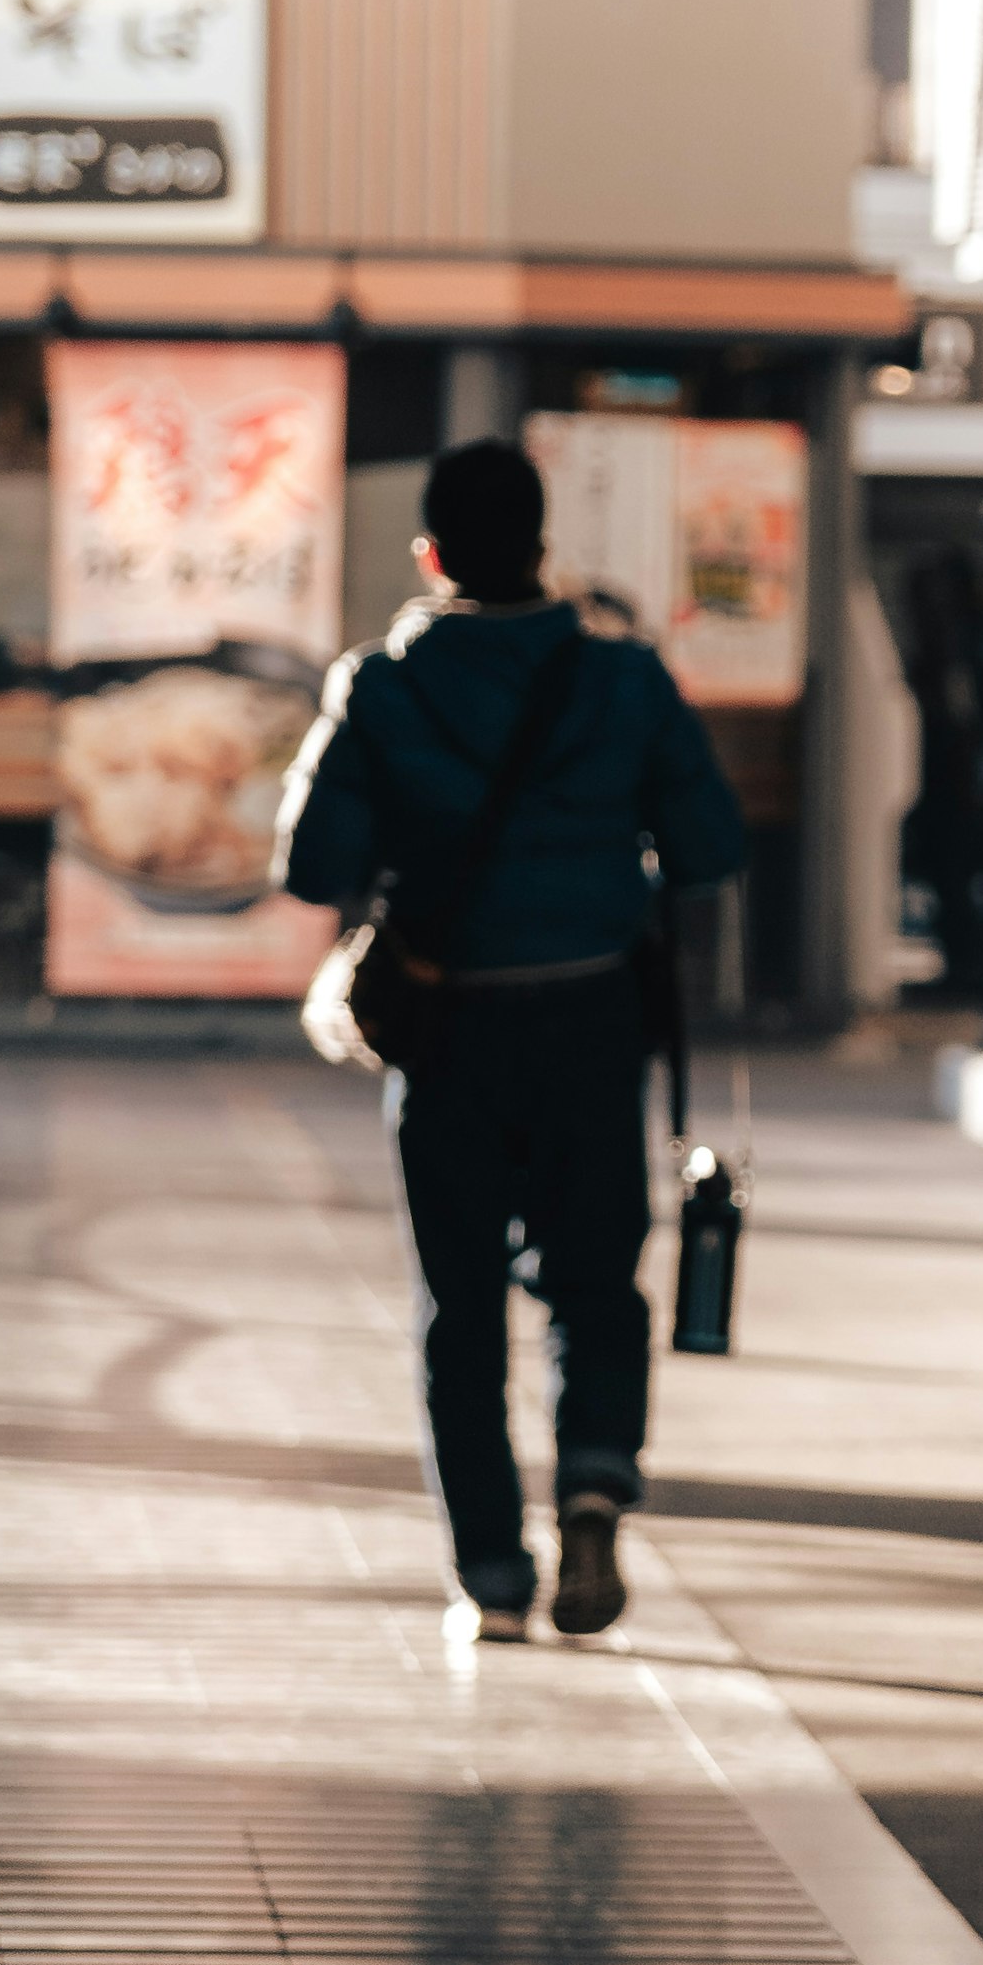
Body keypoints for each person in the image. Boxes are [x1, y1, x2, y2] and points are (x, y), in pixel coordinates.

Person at [277, 434, 745, 1644]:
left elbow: (310, 864)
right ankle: (591, 1487)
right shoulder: (626, 679)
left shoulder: (380, 687)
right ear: (544, 548)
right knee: (595, 1283)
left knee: (461, 1305)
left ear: (431, 553)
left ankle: (490, 1567)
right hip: (593, 1017)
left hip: (450, 1029)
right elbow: (709, 851)